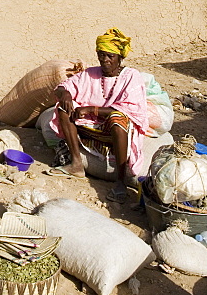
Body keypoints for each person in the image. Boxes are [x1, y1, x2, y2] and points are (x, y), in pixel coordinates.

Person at [48, 28, 149, 202]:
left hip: (115, 130)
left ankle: (120, 181)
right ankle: (76, 164)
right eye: (101, 55)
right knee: (64, 108)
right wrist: (65, 94)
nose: (105, 60)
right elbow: (64, 86)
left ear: (120, 57)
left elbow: (129, 109)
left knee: (117, 119)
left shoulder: (131, 76)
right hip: (91, 127)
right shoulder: (90, 74)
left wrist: (91, 110)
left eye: (110, 56)